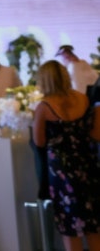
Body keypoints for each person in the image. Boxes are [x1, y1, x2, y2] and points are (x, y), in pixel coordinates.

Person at [33, 59, 100, 251]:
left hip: (62, 171)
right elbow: (94, 133)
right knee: (94, 224)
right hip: (87, 163)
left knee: (70, 227)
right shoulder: (83, 99)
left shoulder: (44, 107)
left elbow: (39, 141)